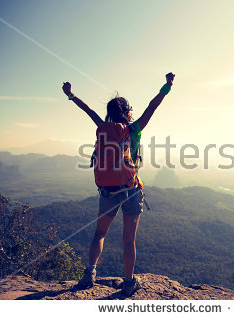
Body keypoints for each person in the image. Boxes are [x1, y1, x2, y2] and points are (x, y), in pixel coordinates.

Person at [61, 72, 175, 296]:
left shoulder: (103, 127)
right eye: (130, 108)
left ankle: (89, 274)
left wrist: (71, 95)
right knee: (128, 238)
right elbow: (152, 106)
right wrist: (167, 86)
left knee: (99, 233)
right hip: (131, 189)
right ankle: (129, 280)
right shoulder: (134, 129)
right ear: (127, 111)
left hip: (107, 190)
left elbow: (89, 111)